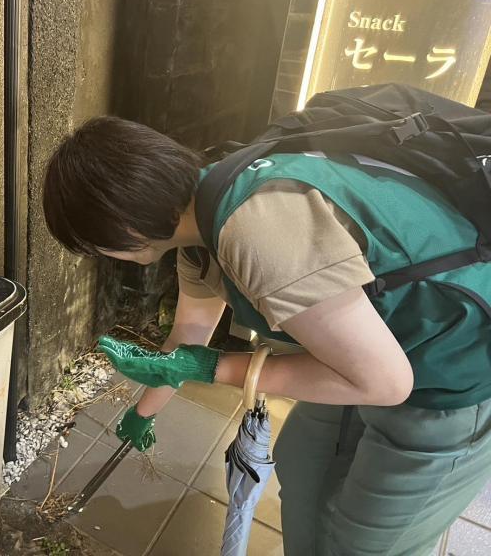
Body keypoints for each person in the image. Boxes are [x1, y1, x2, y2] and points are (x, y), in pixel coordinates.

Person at [41, 115, 491, 556]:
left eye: (96, 246)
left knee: (367, 540)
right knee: (301, 470)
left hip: (451, 376)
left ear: (124, 227)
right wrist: (143, 412)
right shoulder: (201, 217)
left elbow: (386, 383)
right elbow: (190, 332)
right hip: (363, 354)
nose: (102, 256)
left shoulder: (254, 229)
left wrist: (211, 367)